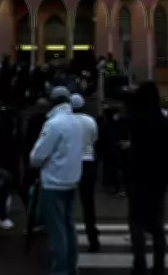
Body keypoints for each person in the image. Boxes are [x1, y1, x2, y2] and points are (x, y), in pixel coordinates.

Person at [30, 86, 83, 275]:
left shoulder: (53, 124)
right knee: (68, 226)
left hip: (53, 182)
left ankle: (60, 270)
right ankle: (71, 266)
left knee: (56, 230)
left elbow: (37, 156)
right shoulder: (76, 123)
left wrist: (35, 160)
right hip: (72, 180)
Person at [123, 82, 168, 275]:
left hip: (139, 176)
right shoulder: (164, 122)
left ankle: (140, 263)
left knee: (136, 222)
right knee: (157, 223)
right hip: (158, 177)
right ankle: (159, 264)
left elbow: (136, 148)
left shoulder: (137, 120)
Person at [71, 93, 100, 252]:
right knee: (88, 202)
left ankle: (68, 237)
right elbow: (94, 139)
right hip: (88, 161)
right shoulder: (90, 121)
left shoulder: (67, 121)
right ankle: (92, 236)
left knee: (68, 200)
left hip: (71, 162)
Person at [0, 105, 20, 229]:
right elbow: (4, 151)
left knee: (3, 193)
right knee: (4, 193)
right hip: (4, 167)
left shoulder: (0, 131)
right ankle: (1, 217)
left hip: (1, 166)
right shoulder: (5, 132)